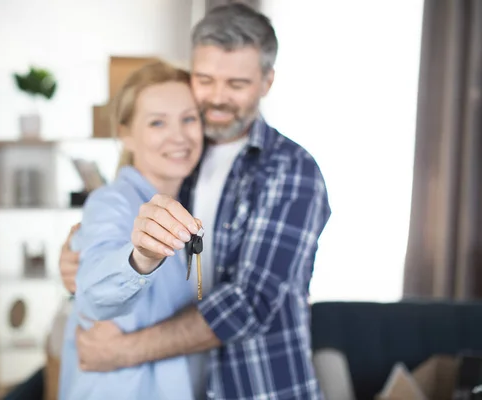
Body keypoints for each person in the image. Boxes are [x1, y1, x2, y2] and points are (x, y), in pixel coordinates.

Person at [60, 3, 332, 400]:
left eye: (236, 84)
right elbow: (118, 248)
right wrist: (74, 254)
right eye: (205, 79)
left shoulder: (291, 170)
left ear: (267, 82)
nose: (217, 98)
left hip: (258, 387)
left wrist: (121, 352)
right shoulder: (182, 160)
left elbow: (248, 303)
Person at [58, 60, 204, 400]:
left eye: (189, 118)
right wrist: (141, 257)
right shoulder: (110, 203)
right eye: (157, 122)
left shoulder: (193, 201)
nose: (178, 136)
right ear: (125, 134)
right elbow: (94, 294)